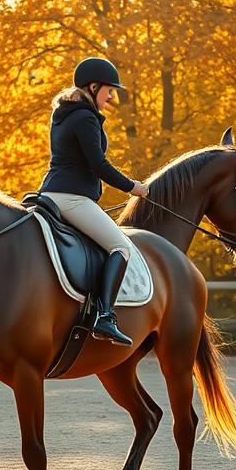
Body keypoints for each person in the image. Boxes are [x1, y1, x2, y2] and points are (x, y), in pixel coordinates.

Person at [38, 56, 149, 346]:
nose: (111, 96)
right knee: (121, 247)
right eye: (109, 90)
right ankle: (106, 317)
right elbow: (98, 164)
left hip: (48, 194)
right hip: (73, 199)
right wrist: (132, 187)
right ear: (94, 86)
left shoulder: (64, 113)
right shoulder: (85, 117)